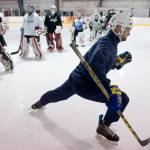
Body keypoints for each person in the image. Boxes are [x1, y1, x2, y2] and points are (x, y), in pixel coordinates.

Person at [31, 12, 133, 144]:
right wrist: (110, 90)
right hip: (85, 84)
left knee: (58, 94)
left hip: (77, 78)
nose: (129, 34)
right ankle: (104, 126)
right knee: (122, 98)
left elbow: (99, 62)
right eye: (128, 30)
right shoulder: (107, 46)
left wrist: (116, 62)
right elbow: (96, 69)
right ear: (119, 28)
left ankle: (40, 102)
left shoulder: (108, 42)